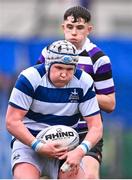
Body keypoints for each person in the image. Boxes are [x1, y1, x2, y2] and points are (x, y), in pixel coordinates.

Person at [37, 6, 116, 179]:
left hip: (85, 130)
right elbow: (38, 90)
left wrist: (81, 95)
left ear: (89, 30)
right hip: (54, 129)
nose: (74, 32)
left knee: (89, 176)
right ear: (63, 28)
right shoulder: (48, 53)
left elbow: (110, 103)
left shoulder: (99, 58)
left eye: (80, 28)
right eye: (70, 27)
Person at [6, 40, 103, 179]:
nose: (64, 74)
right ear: (47, 65)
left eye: (70, 69)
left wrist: (80, 151)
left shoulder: (84, 82)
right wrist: (38, 146)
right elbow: (12, 121)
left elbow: (96, 126)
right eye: (59, 68)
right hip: (29, 143)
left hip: (67, 147)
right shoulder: (29, 78)